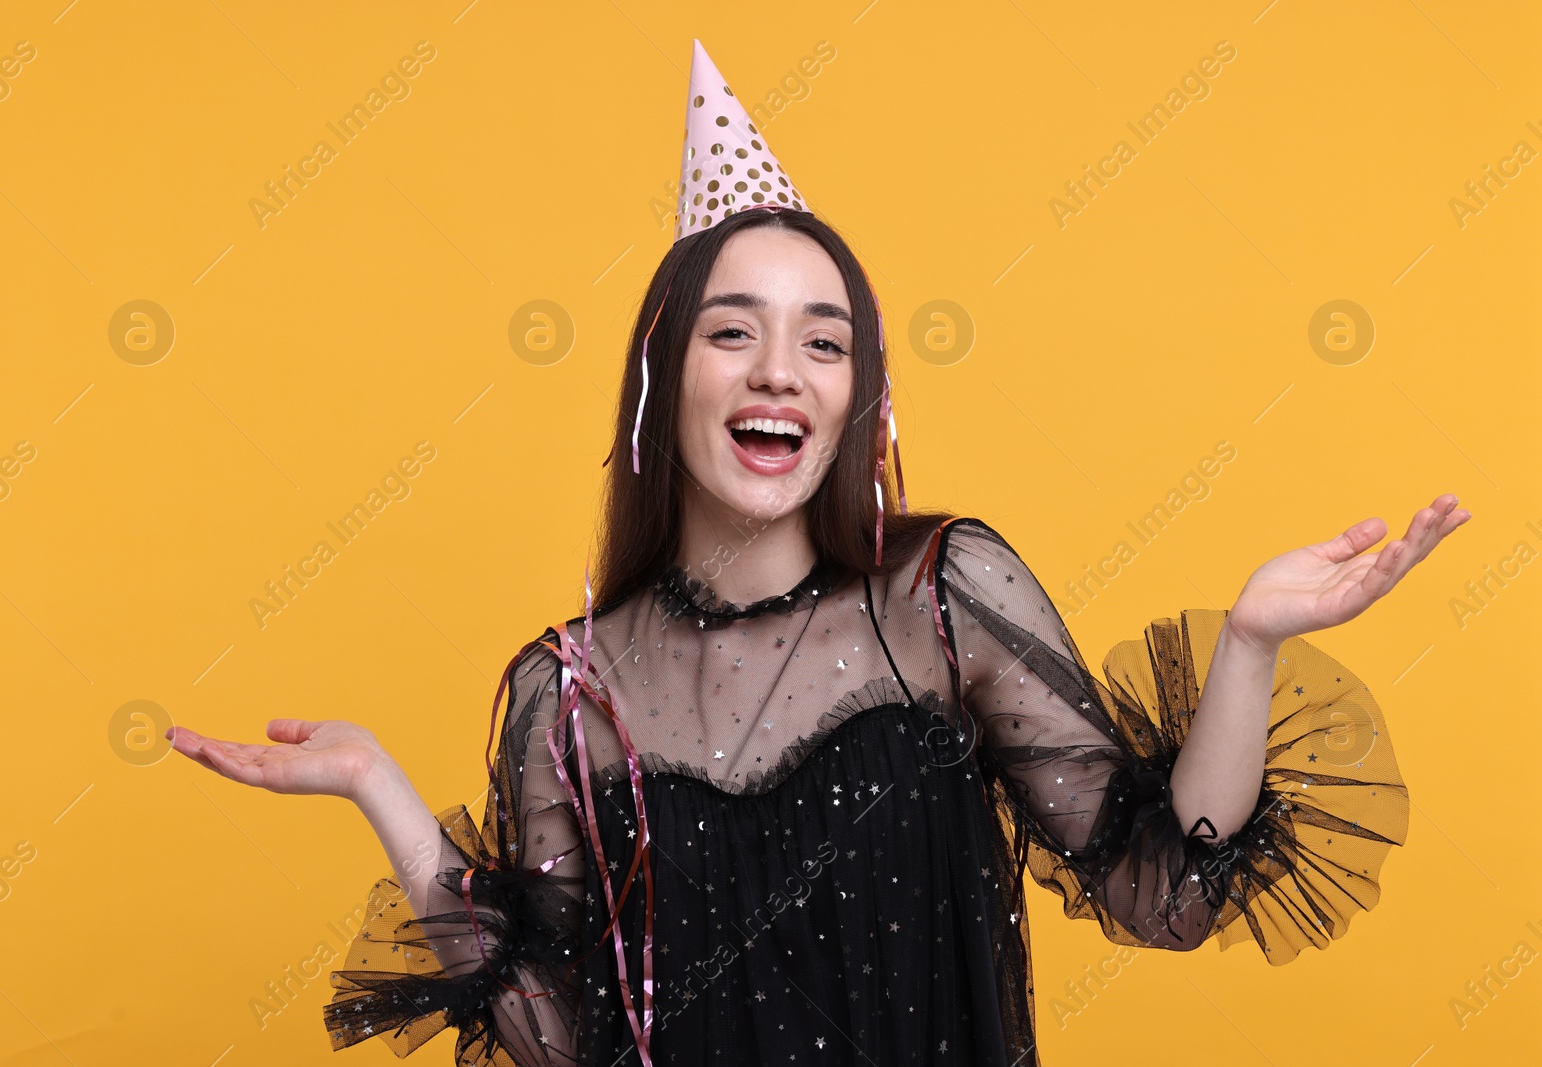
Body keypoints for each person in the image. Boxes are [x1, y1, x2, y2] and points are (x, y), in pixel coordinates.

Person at [164, 40, 1468, 1067]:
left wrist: (1248, 646)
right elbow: (564, 1039)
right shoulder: (564, 697)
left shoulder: (940, 599)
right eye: (733, 332)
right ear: (661, 380)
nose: (778, 368)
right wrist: (387, 797)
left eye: (824, 341)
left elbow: (1160, 895)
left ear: (858, 402)